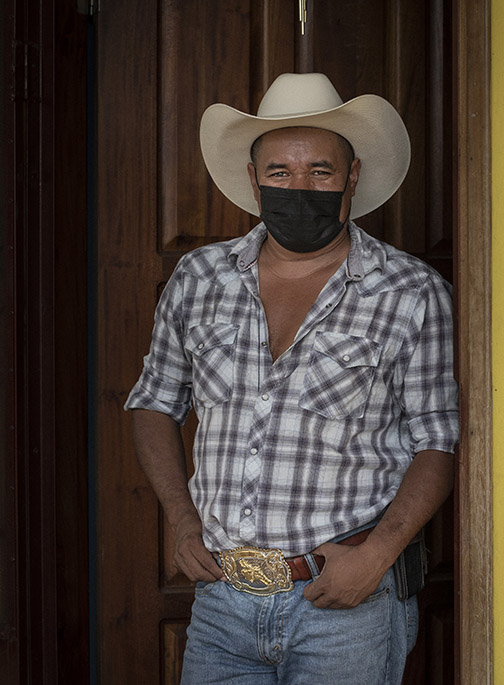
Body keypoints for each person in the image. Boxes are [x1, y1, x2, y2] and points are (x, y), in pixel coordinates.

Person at [125, 72, 458, 684]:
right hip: (223, 602)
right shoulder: (200, 280)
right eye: (279, 172)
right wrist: (181, 519)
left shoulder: (411, 293)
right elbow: (153, 403)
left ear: (352, 176)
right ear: (253, 180)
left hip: (346, 605)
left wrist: (378, 555)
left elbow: (437, 440)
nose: (298, 187)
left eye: (320, 172)